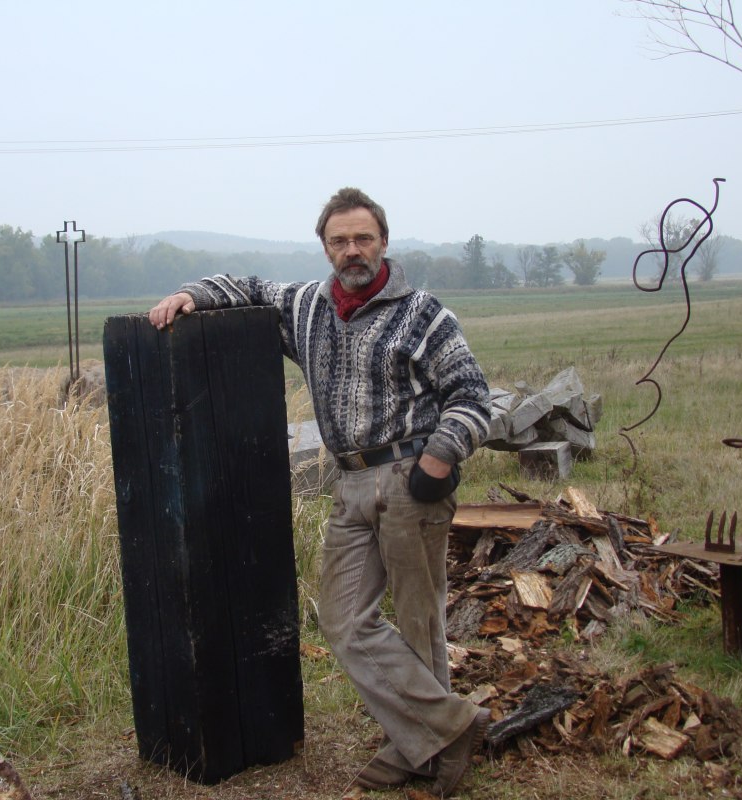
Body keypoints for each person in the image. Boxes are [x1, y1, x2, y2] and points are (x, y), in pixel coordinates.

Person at [148, 187, 492, 797]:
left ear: (383, 241)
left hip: (411, 478)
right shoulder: (307, 306)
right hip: (349, 481)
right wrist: (192, 294)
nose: (352, 250)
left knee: (419, 621)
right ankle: (449, 728)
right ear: (326, 248)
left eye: (363, 238)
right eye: (339, 241)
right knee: (341, 618)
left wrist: (438, 460)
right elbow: (249, 287)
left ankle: (422, 750)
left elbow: (471, 395)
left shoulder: (424, 314)